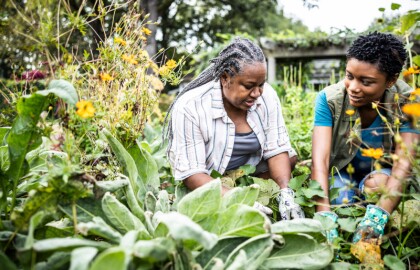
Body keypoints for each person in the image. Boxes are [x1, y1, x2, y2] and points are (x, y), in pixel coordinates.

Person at [165, 37, 304, 220]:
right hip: (210, 178)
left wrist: (286, 193)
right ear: (225, 78)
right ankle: (230, 195)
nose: (256, 93)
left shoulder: (267, 96)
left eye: (260, 85)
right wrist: (237, 199)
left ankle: (257, 192)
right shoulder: (191, 106)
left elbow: (276, 148)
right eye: (248, 86)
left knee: (289, 158)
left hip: (251, 172)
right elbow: (192, 173)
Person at [311, 32, 419, 243]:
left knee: (377, 185)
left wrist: (379, 216)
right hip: (343, 173)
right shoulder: (329, 99)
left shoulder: (409, 102)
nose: (353, 87)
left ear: (391, 80)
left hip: (382, 176)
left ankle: (372, 213)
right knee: (341, 202)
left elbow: (404, 164)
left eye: (366, 82)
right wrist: (323, 214)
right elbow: (320, 160)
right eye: (349, 76)